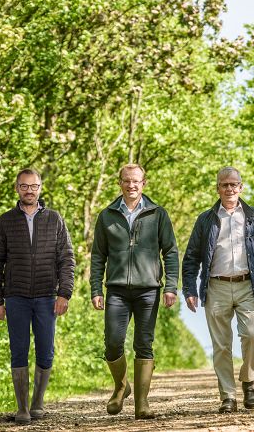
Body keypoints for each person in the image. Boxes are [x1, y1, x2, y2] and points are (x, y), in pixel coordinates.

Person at [182, 167, 254, 413]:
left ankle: (249, 381)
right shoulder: (205, 220)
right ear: (218, 188)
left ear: (241, 187)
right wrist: (189, 289)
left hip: (249, 285)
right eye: (224, 185)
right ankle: (228, 395)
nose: (229, 189)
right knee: (221, 345)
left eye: (233, 184)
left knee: (252, 335)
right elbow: (191, 257)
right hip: (216, 286)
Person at [90, 163, 179, 420]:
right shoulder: (107, 215)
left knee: (144, 343)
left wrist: (171, 286)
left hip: (148, 289)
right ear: (120, 183)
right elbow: (98, 256)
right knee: (112, 343)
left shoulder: (158, 214)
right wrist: (96, 288)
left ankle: (142, 403)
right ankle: (121, 386)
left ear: (144, 184)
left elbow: (170, 251)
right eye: (127, 180)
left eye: (136, 181)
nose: (131, 185)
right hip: (116, 289)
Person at [0, 168, 75, 424]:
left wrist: (64, 293)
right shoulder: (5, 221)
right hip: (16, 296)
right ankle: (22, 408)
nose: (29, 190)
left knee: (46, 350)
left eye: (33, 186)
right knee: (18, 350)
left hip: (47, 296)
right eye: (24, 186)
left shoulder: (55, 219)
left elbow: (66, 259)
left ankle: (38, 402)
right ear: (17, 188)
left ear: (40, 188)